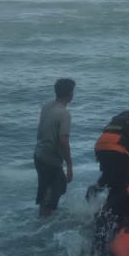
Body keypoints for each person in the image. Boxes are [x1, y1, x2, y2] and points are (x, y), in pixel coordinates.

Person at [87, 105, 129, 208]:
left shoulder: (120, 117)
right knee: (120, 184)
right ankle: (108, 212)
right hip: (117, 151)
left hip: (100, 148)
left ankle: (94, 190)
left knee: (108, 175)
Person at [33, 78, 75, 217]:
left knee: (52, 189)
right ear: (70, 94)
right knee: (51, 195)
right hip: (50, 160)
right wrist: (69, 165)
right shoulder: (64, 114)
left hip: (39, 155)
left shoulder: (47, 106)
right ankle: (44, 222)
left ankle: (45, 213)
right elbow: (63, 140)